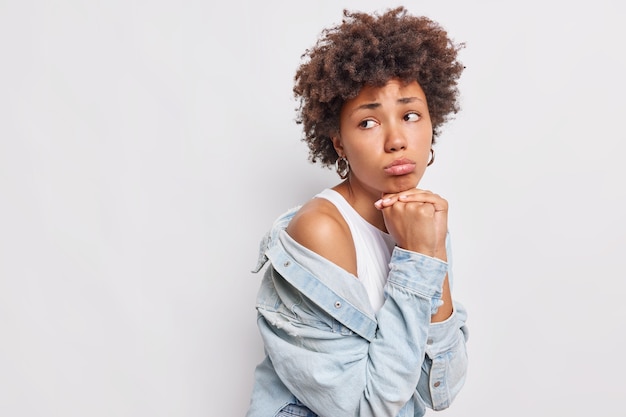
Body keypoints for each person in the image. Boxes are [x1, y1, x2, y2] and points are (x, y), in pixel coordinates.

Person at [246, 6, 469, 417]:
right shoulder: (321, 230)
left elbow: (440, 388)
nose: (397, 139)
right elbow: (365, 409)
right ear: (338, 143)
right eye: (368, 122)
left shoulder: (420, 221)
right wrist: (419, 261)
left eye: (411, 115)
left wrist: (428, 250)